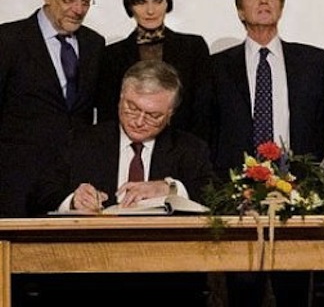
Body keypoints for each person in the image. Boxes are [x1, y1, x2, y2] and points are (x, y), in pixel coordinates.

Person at [25, 59, 214, 306]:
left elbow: (215, 197)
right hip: (89, 277)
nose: (139, 121)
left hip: (165, 280)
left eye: (153, 115)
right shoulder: (82, 141)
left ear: (170, 115)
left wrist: (170, 188)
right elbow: (39, 193)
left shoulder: (190, 149)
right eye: (132, 108)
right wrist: (72, 200)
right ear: (120, 98)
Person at [209, 0, 324, 307]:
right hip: (239, 201)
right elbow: (209, 130)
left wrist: (298, 179)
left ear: (281, 7)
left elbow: (320, 127)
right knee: (243, 291)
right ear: (239, 11)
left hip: (296, 196)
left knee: (294, 291)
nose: (264, 0)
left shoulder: (313, 60)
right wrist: (232, 186)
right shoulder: (216, 66)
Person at [0, 0, 105, 218]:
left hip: (72, 188)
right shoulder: (8, 40)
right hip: (14, 186)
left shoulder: (94, 44)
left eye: (86, 1)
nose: (79, 9)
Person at [96, 0, 212, 141]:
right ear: (130, 5)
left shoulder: (193, 47)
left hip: (184, 151)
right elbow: (109, 115)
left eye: (157, 1)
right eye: (141, 2)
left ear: (168, 2)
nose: (150, 10)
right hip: (131, 151)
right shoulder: (111, 55)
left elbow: (203, 111)